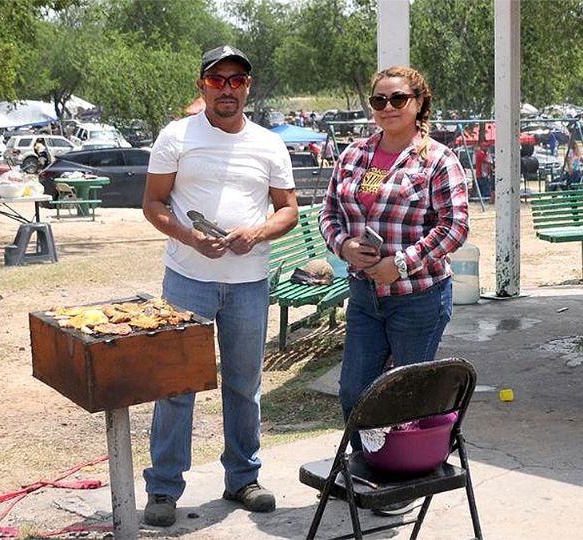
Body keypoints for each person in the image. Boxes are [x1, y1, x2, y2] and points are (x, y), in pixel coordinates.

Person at [141, 45, 298, 527]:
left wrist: (258, 233)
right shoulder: (176, 136)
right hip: (188, 280)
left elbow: (288, 210)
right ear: (202, 86)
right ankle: (164, 488)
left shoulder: (268, 144)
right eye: (217, 80)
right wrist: (190, 237)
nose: (226, 89)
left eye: (236, 80)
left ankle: (243, 478)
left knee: (244, 386)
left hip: (248, 284)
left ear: (248, 87)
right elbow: (153, 204)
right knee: (175, 387)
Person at [319, 66, 468, 516]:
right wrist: (344, 246)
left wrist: (400, 264)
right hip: (365, 296)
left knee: (406, 398)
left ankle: (402, 483)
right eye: (379, 100)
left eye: (398, 99)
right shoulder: (355, 155)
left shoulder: (438, 160)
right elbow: (329, 213)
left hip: (419, 298)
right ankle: (368, 467)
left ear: (419, 103)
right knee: (354, 389)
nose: (387, 107)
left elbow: (455, 226)